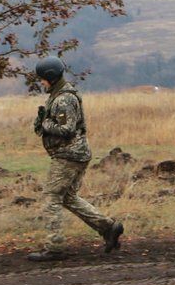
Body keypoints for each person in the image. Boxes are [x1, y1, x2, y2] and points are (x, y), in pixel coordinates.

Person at [27, 57, 124, 262]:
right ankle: (108, 227)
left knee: (51, 197)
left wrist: (45, 124)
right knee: (68, 198)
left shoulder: (63, 99)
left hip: (68, 155)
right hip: (75, 154)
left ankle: (55, 247)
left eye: (43, 79)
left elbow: (66, 129)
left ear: (51, 78)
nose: (41, 82)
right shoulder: (60, 94)